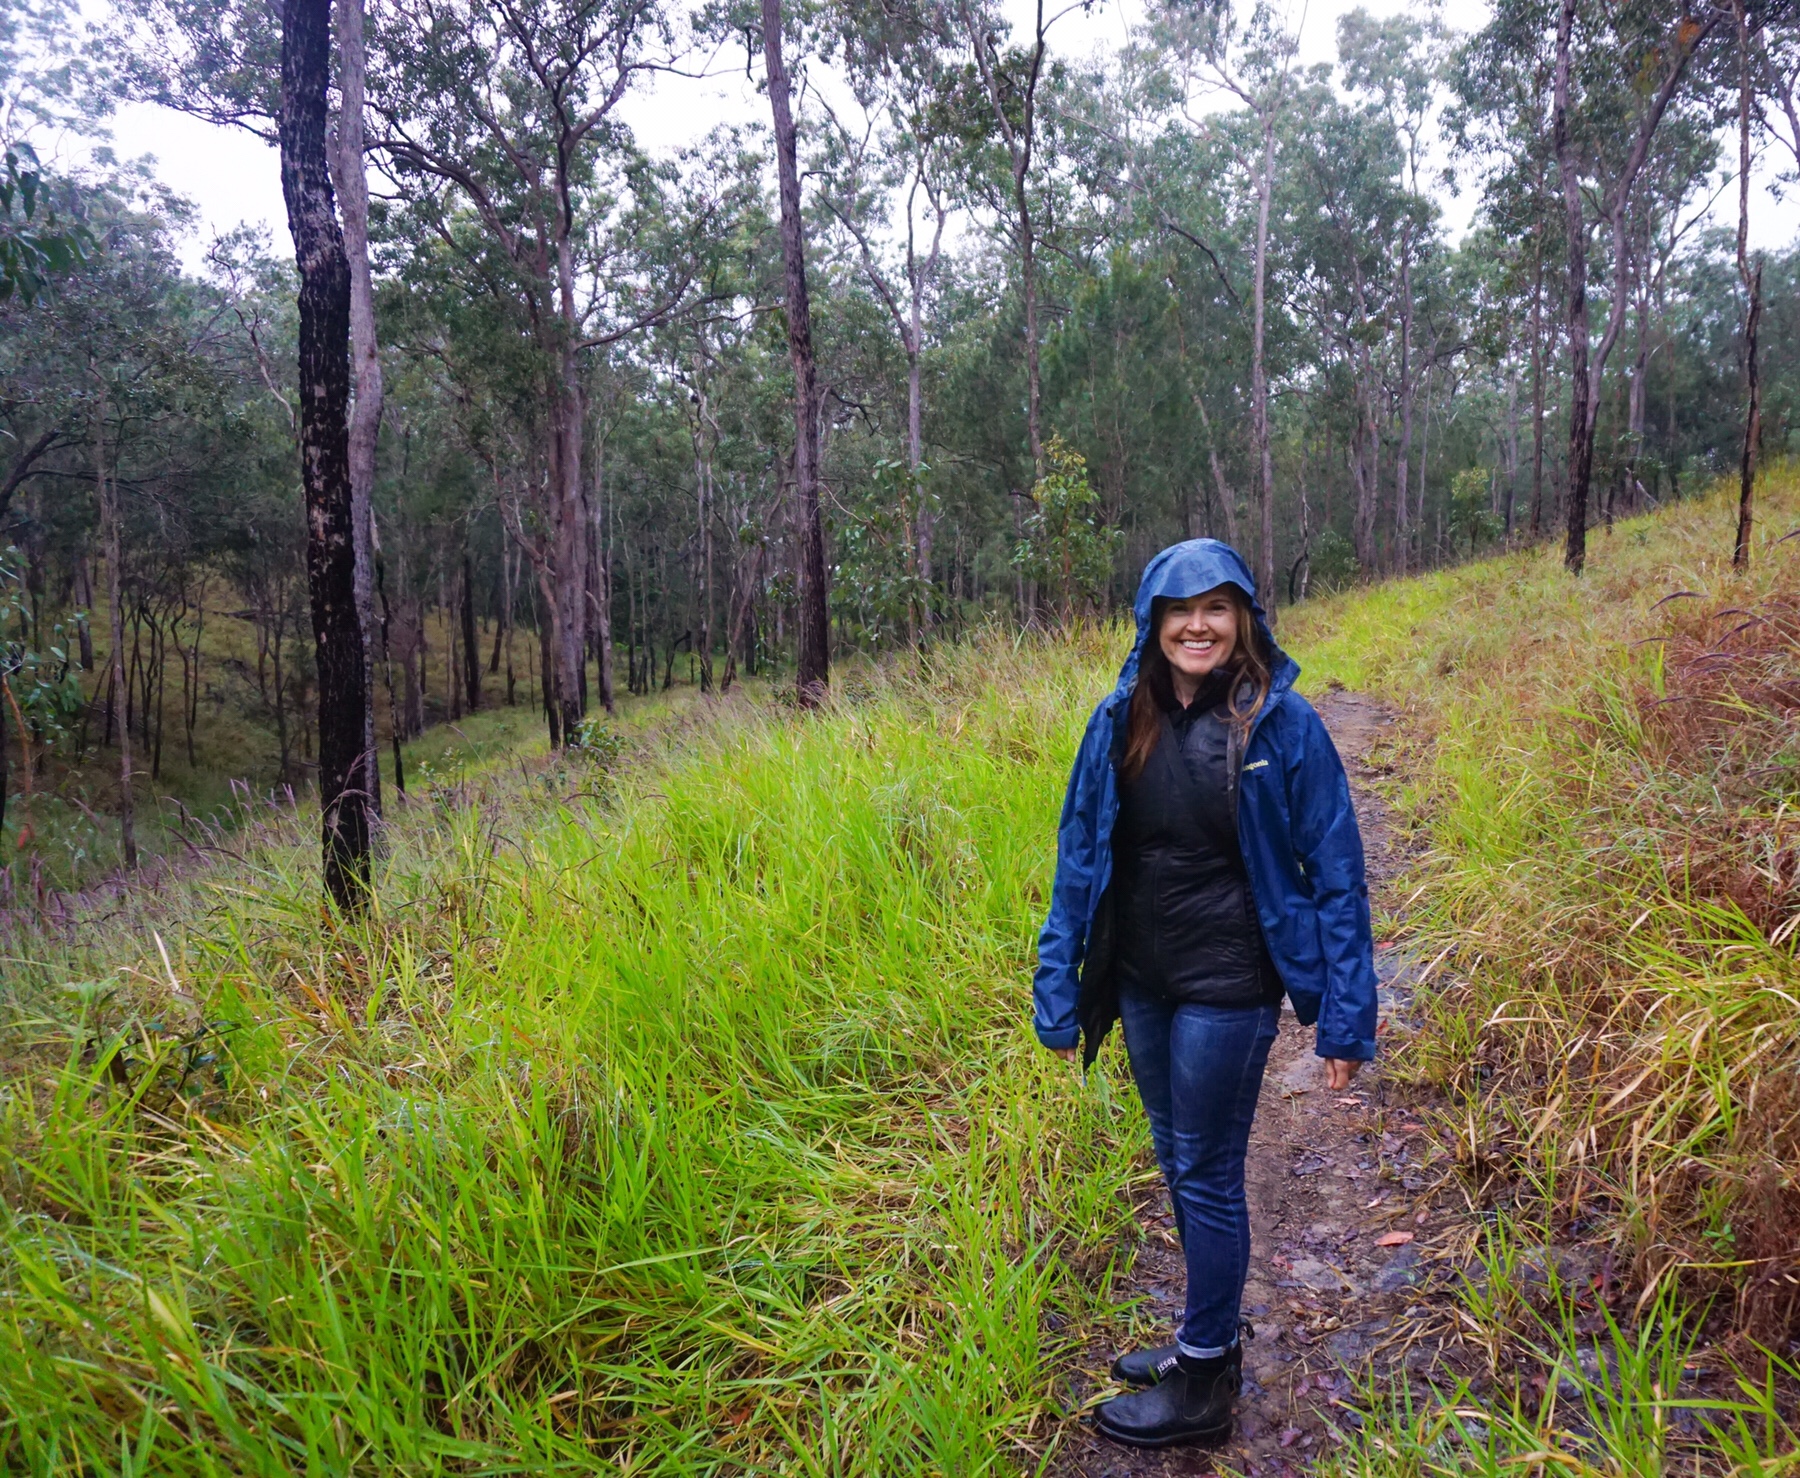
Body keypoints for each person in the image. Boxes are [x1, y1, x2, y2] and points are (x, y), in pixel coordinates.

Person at [1032, 539, 1379, 1450]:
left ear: (1244, 620)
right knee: (1174, 1157)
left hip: (1229, 982)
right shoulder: (1119, 719)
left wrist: (1348, 1018)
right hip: (1143, 980)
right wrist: (1057, 983)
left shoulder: (1282, 725)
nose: (1198, 625)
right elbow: (1078, 858)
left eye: (1216, 607)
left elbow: (1338, 874)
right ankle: (1206, 1341)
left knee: (1207, 1171)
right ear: (1152, 622)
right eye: (1179, 610)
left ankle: (1205, 1381)